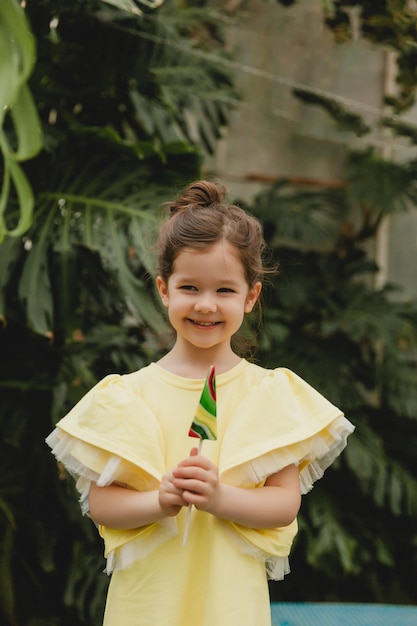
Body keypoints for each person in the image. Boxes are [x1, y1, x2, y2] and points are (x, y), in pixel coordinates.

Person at [46, 180, 354, 626]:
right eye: (189, 287)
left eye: (225, 291)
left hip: (228, 605)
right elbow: (102, 504)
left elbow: (284, 504)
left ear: (251, 296)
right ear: (164, 289)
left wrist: (218, 497)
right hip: (147, 604)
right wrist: (162, 501)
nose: (206, 305)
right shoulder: (126, 397)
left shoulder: (267, 395)